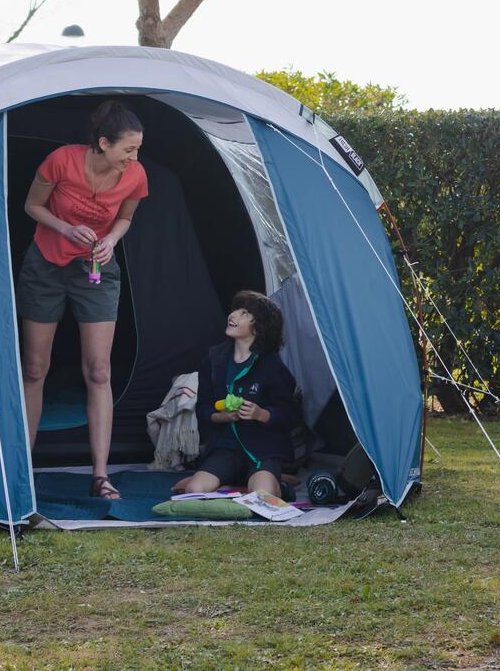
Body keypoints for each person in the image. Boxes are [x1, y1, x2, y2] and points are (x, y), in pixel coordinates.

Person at [16, 100, 149, 500]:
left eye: (138, 149)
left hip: (96, 269)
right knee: (35, 368)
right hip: (46, 266)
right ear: (103, 143)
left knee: (99, 372)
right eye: (128, 149)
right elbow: (31, 205)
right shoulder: (61, 161)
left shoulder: (136, 175)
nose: (135, 157)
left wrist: (110, 239)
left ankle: (100, 475)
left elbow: (124, 218)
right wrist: (66, 227)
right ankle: (23, 468)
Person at [173, 291, 302, 500]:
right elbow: (203, 409)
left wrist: (261, 414)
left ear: (259, 327)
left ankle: (273, 482)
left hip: (262, 450)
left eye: (244, 314)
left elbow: (290, 414)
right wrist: (221, 417)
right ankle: (240, 482)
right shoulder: (213, 361)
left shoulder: (271, 365)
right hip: (226, 449)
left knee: (262, 496)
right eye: (235, 310)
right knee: (193, 491)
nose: (233, 316)